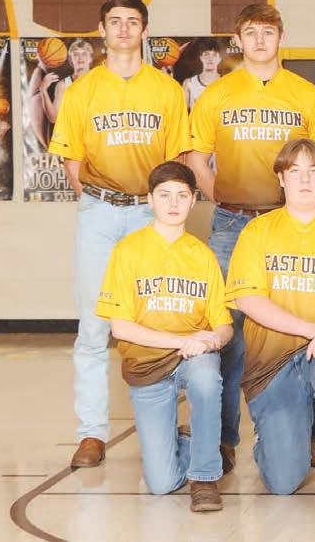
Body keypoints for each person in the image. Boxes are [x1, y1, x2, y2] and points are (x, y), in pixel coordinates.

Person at [187, 3, 315, 472]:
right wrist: (223, 196)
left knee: (302, 322)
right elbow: (196, 158)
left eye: (268, 32)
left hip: (290, 224)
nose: (259, 40)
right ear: (238, 40)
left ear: (281, 38)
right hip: (233, 223)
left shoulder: (305, 93)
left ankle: (308, 435)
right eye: (251, 32)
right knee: (226, 330)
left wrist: (299, 205)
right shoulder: (218, 93)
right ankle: (224, 439)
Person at [49, 0, 191, 469]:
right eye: (115, 21)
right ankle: (91, 433)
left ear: (145, 31)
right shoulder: (82, 90)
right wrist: (98, 201)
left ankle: (163, 423)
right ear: (102, 30)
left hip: (149, 213)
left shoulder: (167, 90)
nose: (124, 29)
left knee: (160, 319)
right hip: (100, 211)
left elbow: (176, 161)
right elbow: (72, 161)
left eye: (133, 21)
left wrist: (162, 214)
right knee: (93, 325)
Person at [225, 138, 315, 506]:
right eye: (295, 171)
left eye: (313, 172)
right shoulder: (257, 231)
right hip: (273, 360)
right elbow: (249, 299)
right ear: (281, 179)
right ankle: (282, 437)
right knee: (283, 481)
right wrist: (311, 329)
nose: (305, 180)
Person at [96, 161, 232, 512]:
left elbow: (224, 325)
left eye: (182, 196)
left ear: (193, 201)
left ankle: (204, 476)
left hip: (194, 357)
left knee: (206, 376)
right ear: (150, 200)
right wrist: (182, 341)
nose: (173, 203)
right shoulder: (128, 251)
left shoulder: (202, 256)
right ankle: (191, 441)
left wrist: (211, 340)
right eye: (164, 195)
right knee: (161, 484)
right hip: (148, 364)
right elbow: (120, 327)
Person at [183, 40, 222, 109]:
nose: (210, 58)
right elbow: (182, 112)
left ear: (219, 59)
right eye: (206, 54)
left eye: (214, 55)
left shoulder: (226, 82)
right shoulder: (189, 83)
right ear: (201, 58)